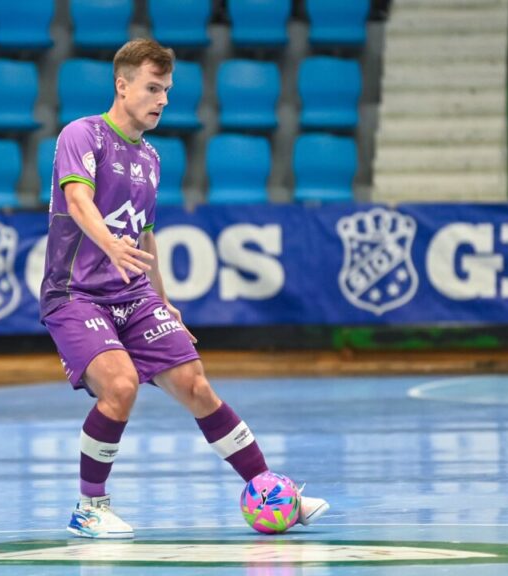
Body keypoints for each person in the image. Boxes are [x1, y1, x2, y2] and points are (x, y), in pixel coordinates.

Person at [39, 38, 329, 539]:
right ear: (121, 84)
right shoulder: (82, 136)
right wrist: (109, 245)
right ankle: (90, 507)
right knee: (121, 386)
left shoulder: (150, 156)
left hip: (134, 293)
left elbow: (146, 234)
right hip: (76, 294)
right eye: (153, 88)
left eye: (167, 90)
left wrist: (164, 300)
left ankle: (270, 488)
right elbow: (78, 200)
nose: (163, 100)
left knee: (197, 386)